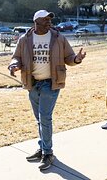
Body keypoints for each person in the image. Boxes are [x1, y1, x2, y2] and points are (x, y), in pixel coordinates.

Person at [8, 10, 86, 171]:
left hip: (51, 83)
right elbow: (16, 57)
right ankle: (42, 148)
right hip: (32, 82)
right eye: (46, 19)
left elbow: (69, 57)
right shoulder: (25, 39)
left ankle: (48, 153)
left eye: (50, 19)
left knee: (45, 117)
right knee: (39, 119)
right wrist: (14, 65)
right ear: (36, 22)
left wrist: (76, 59)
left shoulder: (58, 38)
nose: (49, 22)